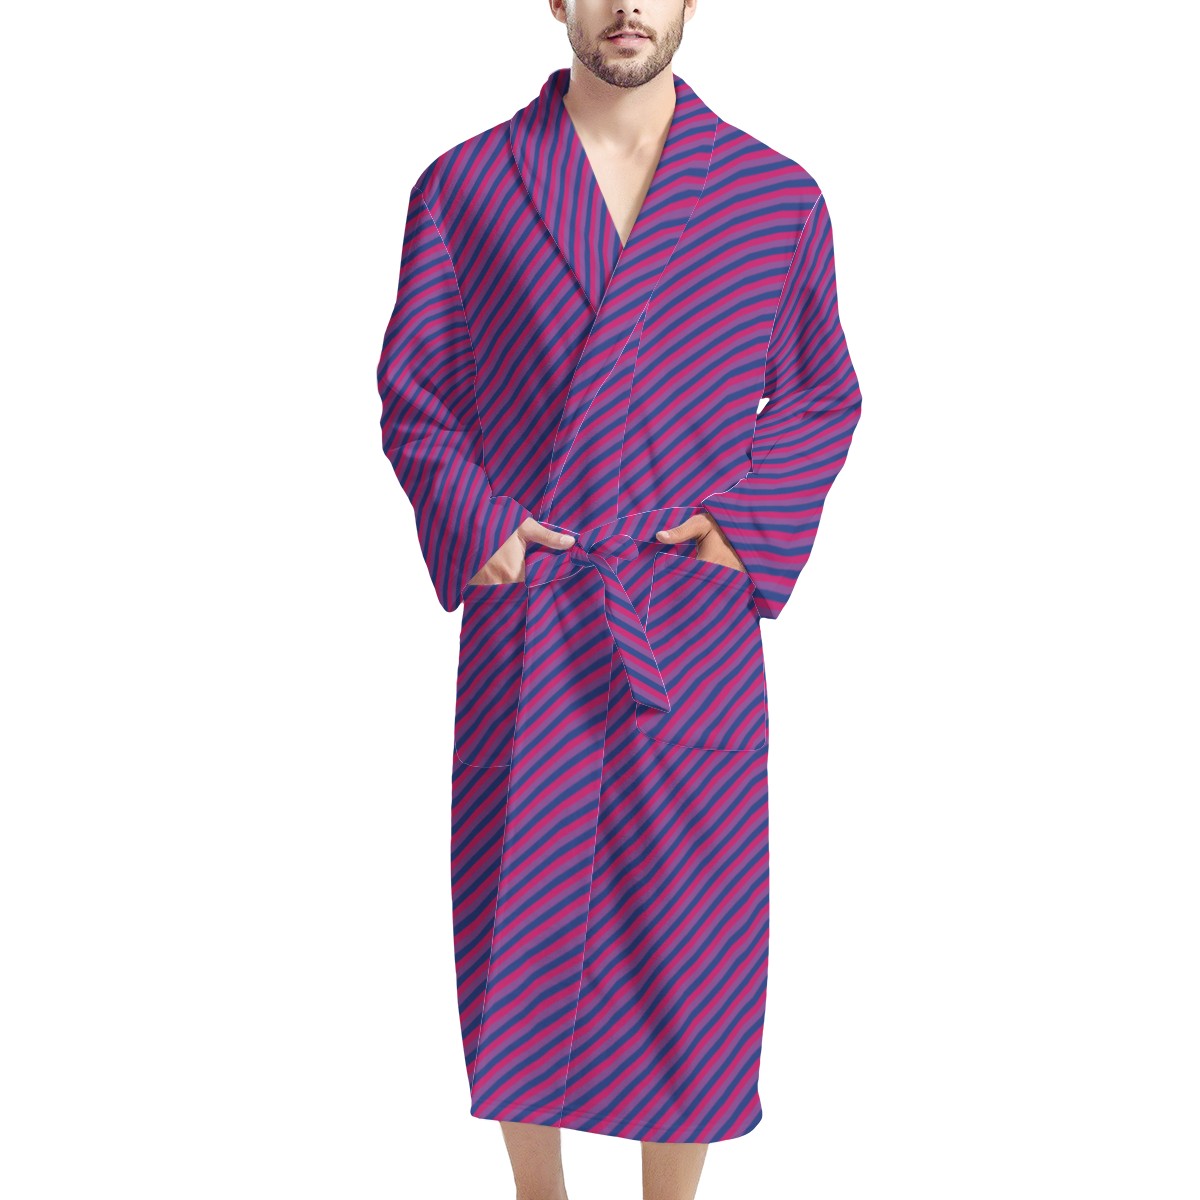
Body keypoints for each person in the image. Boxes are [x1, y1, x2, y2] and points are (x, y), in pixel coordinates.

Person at [377, 2, 862, 1197]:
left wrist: (744, 524)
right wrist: (481, 525)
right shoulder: (466, 186)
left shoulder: (774, 197)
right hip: (535, 618)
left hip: (687, 627)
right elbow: (416, 390)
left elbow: (821, 394)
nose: (628, 6)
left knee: (692, 943)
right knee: (519, 923)